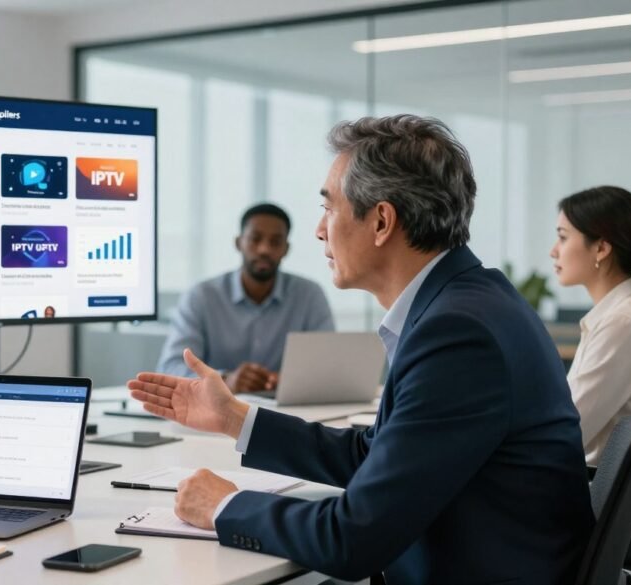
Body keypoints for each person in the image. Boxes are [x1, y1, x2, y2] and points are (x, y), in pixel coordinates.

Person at [129, 115, 593, 583]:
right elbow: (377, 456)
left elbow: (352, 539)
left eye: (328, 209)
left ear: (382, 221)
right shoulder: (468, 303)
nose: (317, 231)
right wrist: (233, 418)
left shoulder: (458, 334)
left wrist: (225, 506)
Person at [156, 203, 333, 392]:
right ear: (238, 243)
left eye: (275, 241)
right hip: (216, 410)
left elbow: (328, 367)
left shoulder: (309, 295)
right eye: (255, 239)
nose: (264, 249)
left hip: (287, 413)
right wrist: (225, 380)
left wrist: (290, 381)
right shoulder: (201, 296)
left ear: (286, 249)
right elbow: (171, 368)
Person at [550, 186, 631, 465]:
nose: (553, 251)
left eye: (563, 238)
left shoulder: (623, 324)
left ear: (601, 248)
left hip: (596, 495)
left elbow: (565, 431)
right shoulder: (619, 316)